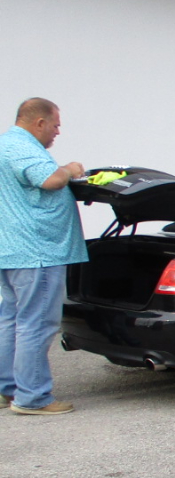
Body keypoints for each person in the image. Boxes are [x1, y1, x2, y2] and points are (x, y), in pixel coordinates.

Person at [0, 98, 88, 415]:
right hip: (39, 252)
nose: (58, 131)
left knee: (11, 321)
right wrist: (70, 169)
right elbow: (49, 180)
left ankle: (5, 389)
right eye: (55, 124)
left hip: (11, 251)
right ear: (39, 122)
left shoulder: (4, 145)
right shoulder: (23, 147)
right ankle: (32, 397)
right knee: (36, 325)